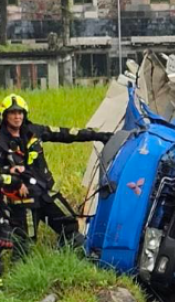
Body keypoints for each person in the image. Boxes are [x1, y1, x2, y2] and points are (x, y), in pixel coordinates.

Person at [0, 94, 110, 253]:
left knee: (70, 226)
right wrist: (15, 181)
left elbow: (66, 134)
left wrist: (98, 136)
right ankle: (22, 275)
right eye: (12, 113)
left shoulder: (34, 131)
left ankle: (66, 259)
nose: (17, 116)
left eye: (20, 112)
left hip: (46, 193)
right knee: (24, 246)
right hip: (23, 202)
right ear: (5, 116)